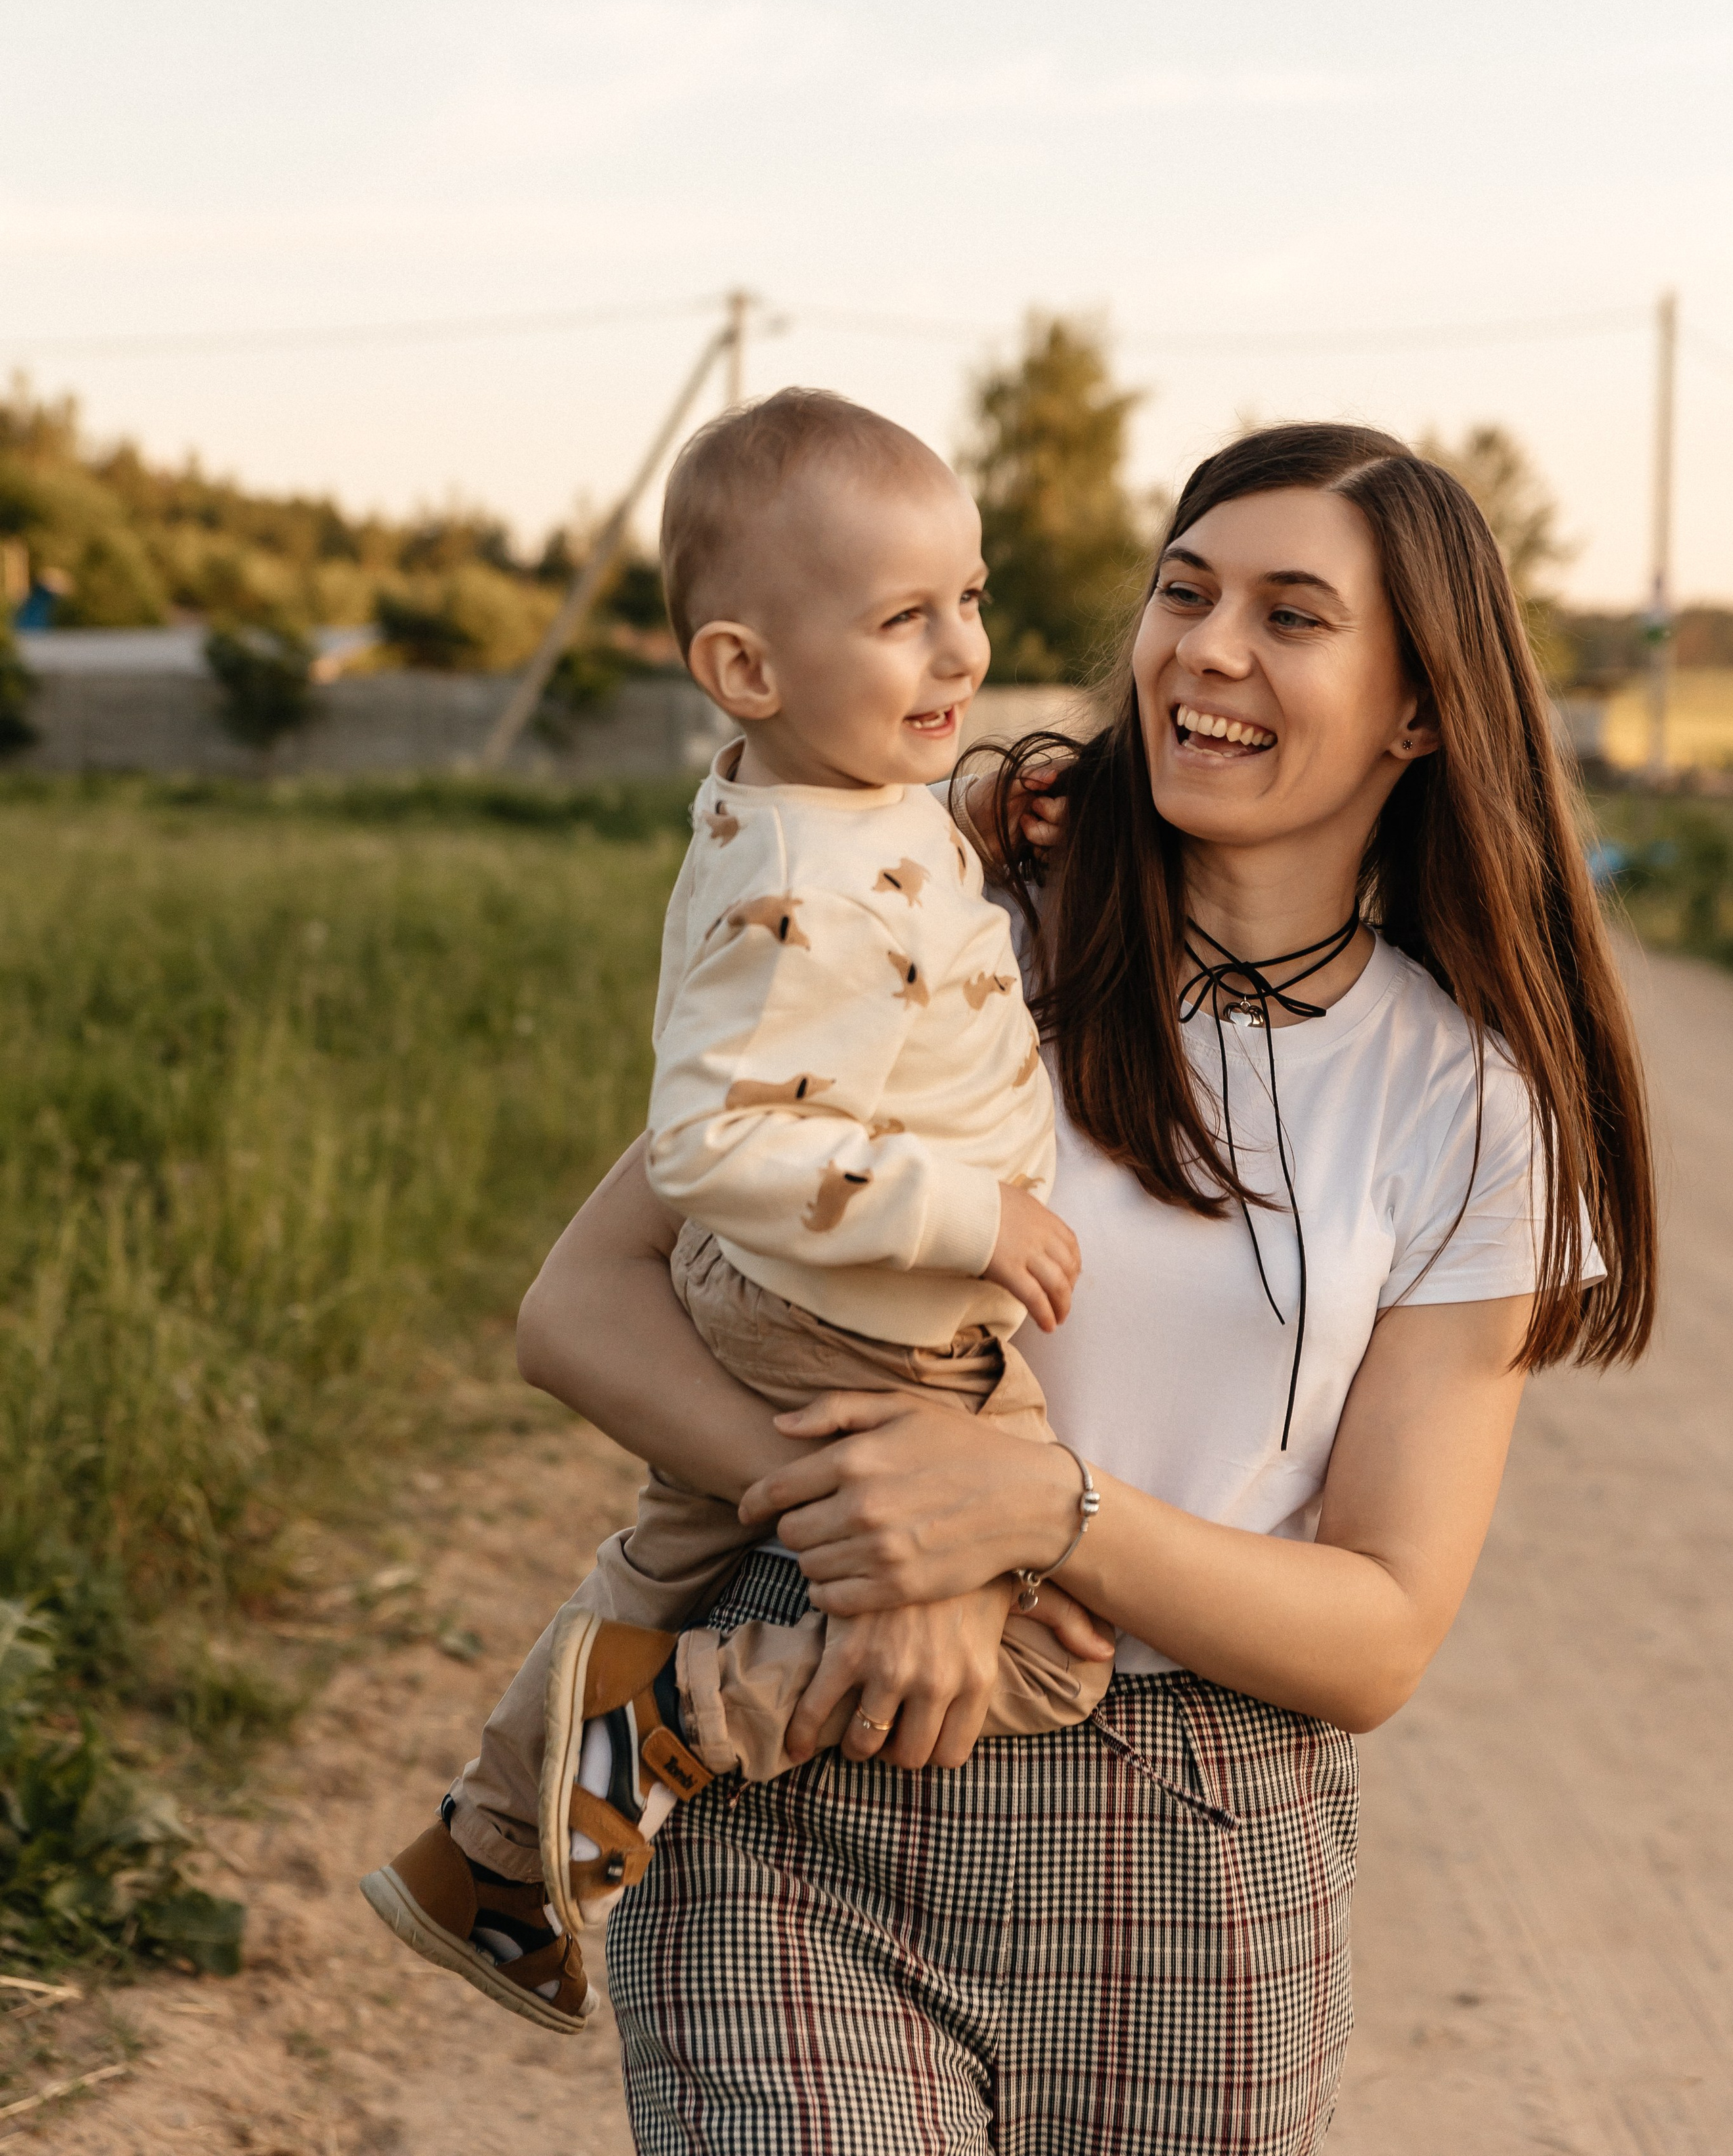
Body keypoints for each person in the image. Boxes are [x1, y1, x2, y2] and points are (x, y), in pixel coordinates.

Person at [502, 422, 1656, 2153]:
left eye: (1289, 614)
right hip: (799, 1793)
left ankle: (518, 1826)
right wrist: (865, 1532)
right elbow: (580, 1305)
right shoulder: (946, 913)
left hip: (1191, 1858)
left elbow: (1379, 1631)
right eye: (1181, 591)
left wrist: (1036, 1508)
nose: (1205, 645)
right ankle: (522, 1825)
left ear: (1418, 709)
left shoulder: (1468, 1105)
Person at [361, 389, 1113, 2031]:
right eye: (905, 620)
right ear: (744, 672)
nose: (963, 654)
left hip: (770, 1291)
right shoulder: (807, 886)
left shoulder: (827, 797)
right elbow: (707, 1141)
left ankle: (485, 1856)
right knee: (1047, 1639)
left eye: (969, 599)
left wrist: (980, 824)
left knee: (673, 1532)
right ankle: (667, 1721)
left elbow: (877, 904)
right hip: (873, 1316)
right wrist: (963, 1215)